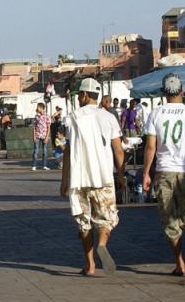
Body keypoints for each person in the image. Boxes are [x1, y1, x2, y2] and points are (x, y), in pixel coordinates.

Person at [142, 73, 185, 276]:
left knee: (170, 219)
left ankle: (180, 264)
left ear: (164, 93)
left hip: (164, 171)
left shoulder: (156, 114)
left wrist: (146, 173)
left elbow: (151, 147)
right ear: (182, 92)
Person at [60, 78, 125, 276]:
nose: (79, 98)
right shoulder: (109, 117)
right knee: (106, 219)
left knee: (83, 222)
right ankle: (102, 244)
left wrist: (64, 181)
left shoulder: (72, 118)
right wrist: (120, 174)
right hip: (104, 176)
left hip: (79, 179)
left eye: (80, 94)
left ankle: (90, 265)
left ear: (85, 95)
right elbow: (118, 149)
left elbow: (68, 152)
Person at [31, 102, 52, 170]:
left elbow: (48, 127)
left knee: (44, 151)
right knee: (35, 151)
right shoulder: (36, 116)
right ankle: (34, 165)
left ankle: (44, 165)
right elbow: (34, 127)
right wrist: (34, 136)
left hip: (44, 135)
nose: (37, 108)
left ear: (41, 107)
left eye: (38, 107)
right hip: (37, 135)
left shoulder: (47, 116)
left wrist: (47, 137)